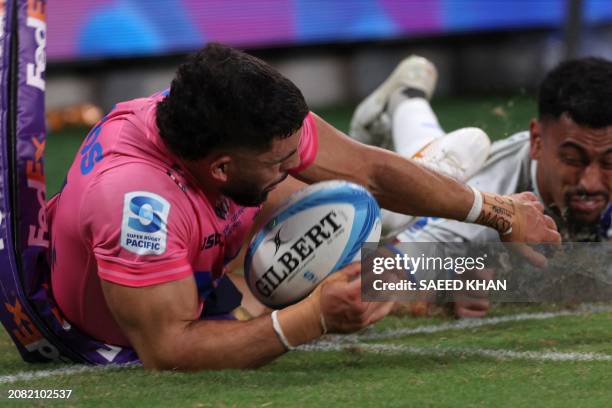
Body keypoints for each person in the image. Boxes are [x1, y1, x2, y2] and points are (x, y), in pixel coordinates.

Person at [48, 43, 559, 370]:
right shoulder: (139, 207)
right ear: (222, 169)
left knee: (345, 199)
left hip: (215, 246)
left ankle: (383, 208)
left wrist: (500, 212)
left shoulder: (225, 116)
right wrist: (311, 318)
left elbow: (370, 170)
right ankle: (384, 215)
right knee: (335, 252)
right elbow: (167, 351)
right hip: (123, 329)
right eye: (283, 160)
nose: (295, 163)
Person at [349, 56, 612, 317]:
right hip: (444, 188)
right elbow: (375, 276)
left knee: (432, 157)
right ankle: (405, 100)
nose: (590, 182)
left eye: (609, 162)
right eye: (572, 160)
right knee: (403, 195)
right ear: (537, 141)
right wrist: (442, 288)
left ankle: (405, 97)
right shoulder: (485, 198)